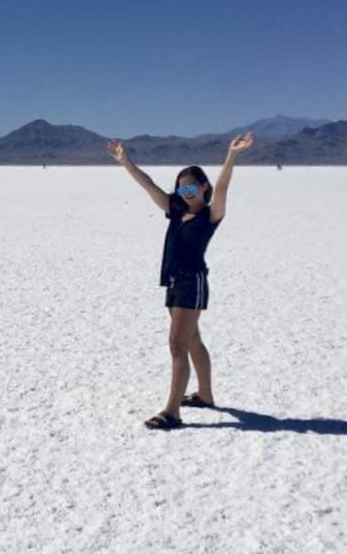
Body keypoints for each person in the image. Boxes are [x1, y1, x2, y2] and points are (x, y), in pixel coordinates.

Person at [107, 132, 254, 430]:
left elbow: (223, 187)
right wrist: (126, 161)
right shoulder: (175, 210)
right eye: (181, 186)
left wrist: (232, 155)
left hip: (192, 283)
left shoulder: (210, 215)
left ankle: (172, 412)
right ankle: (205, 395)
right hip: (174, 282)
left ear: (204, 188)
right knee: (192, 340)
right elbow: (148, 185)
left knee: (177, 345)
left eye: (192, 186)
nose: (186, 191)